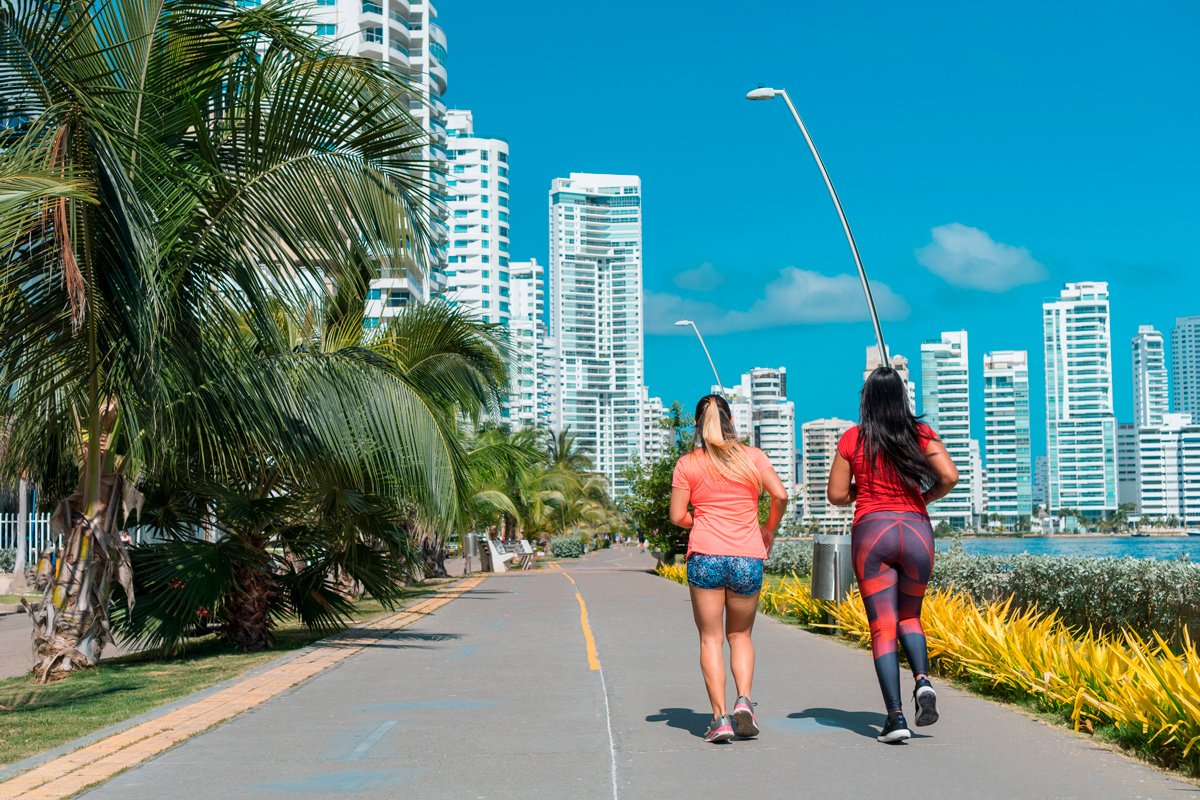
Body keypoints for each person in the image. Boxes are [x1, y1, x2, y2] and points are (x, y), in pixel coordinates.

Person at [827, 366, 959, 743]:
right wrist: (922, 497)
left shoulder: (854, 438)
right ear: (902, 397)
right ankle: (922, 681)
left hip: (874, 532)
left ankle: (896, 718)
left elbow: (836, 495)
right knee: (910, 617)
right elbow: (949, 476)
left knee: (883, 627)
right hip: (916, 530)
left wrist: (863, 488)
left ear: (866, 400)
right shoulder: (920, 433)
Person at [670, 394, 789, 744]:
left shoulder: (687, 464)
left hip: (705, 555)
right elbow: (780, 495)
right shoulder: (753, 458)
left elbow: (678, 516)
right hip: (746, 557)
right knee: (740, 636)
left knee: (711, 638)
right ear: (731, 422)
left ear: (696, 425)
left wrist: (704, 518)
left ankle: (720, 718)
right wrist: (767, 529)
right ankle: (744, 703)